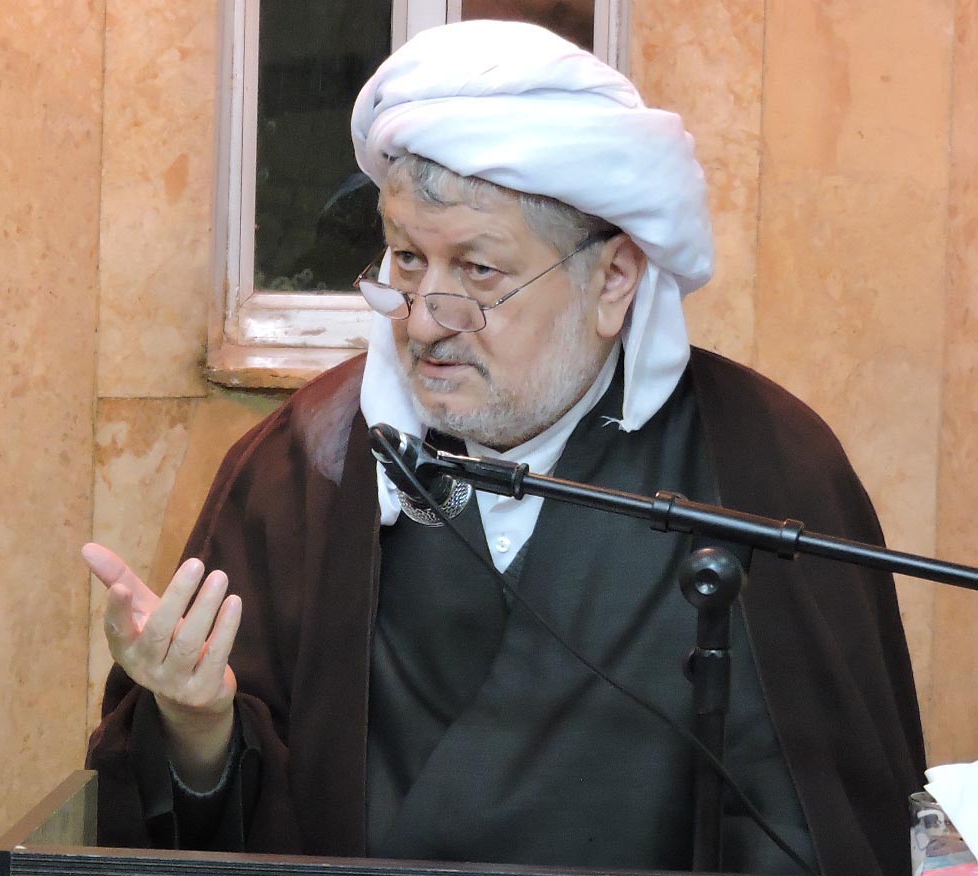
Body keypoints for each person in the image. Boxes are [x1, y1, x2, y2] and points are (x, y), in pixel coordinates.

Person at [84, 20, 924, 876]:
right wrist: (195, 722)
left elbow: (828, 827)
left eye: (478, 272)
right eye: (407, 261)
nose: (424, 319)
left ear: (614, 279)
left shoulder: (763, 465)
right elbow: (202, 816)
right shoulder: (309, 461)